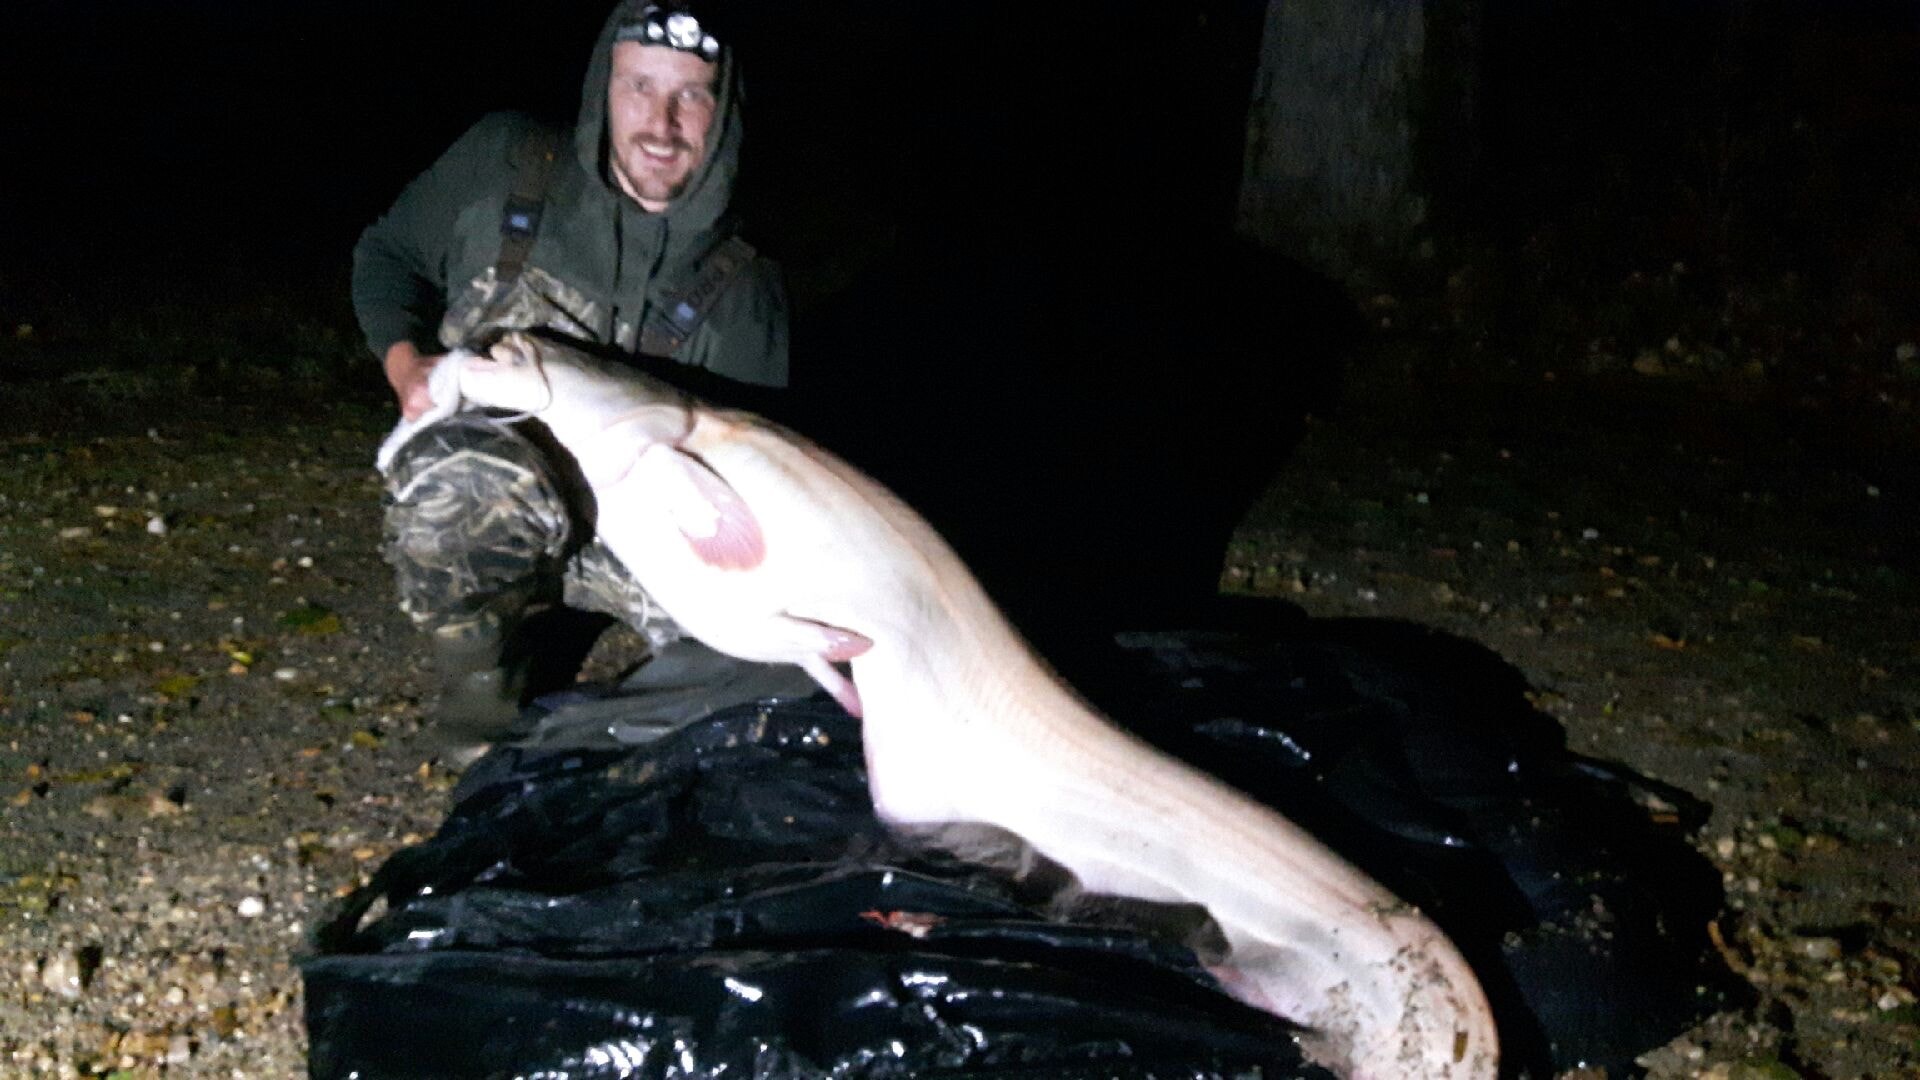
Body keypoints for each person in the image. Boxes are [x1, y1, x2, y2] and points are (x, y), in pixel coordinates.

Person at [351, 0, 789, 749]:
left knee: (772, 648)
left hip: (639, 526)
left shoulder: (748, 287)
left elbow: (747, 486)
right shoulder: (506, 159)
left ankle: (611, 734)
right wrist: (405, 363)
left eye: (690, 96)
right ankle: (484, 703)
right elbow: (386, 256)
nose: (661, 125)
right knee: (459, 480)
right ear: (602, 89)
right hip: (501, 487)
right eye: (639, 87)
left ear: (721, 115)